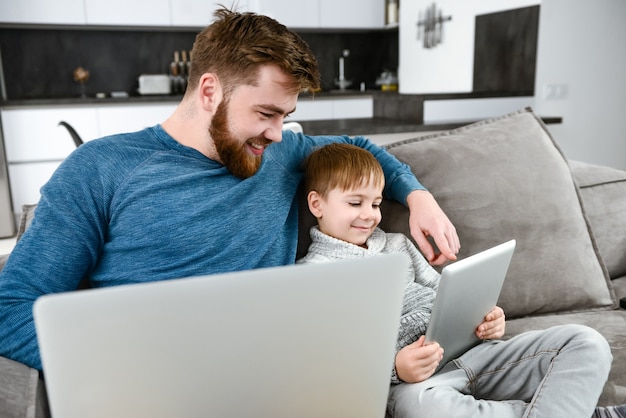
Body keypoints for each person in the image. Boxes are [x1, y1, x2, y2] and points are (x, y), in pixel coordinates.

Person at [0, 9, 460, 371]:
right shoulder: (100, 168)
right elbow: (12, 309)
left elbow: (358, 148)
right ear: (209, 91)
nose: (280, 133)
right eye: (265, 113)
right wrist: (123, 363)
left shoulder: (278, 152)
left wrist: (419, 197)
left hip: (284, 371)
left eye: (286, 115)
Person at [297, 143, 625, 418]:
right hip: (418, 384)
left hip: (477, 352)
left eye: (376, 203)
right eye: (355, 203)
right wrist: (395, 369)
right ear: (317, 204)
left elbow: (445, 294)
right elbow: (329, 361)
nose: (369, 214)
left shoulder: (396, 244)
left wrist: (485, 317)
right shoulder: (311, 275)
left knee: (587, 343)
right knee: (428, 408)